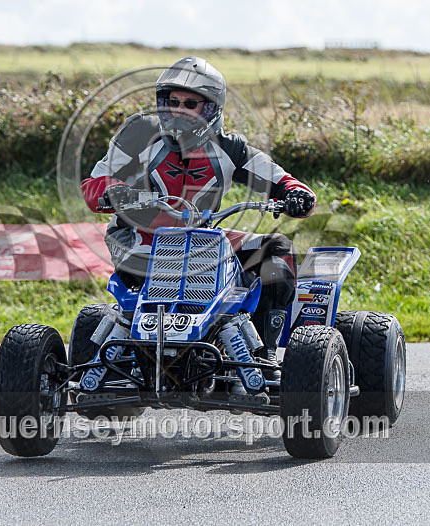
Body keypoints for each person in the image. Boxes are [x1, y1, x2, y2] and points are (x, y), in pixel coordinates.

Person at [81, 56, 316, 380]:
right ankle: (126, 349)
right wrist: (115, 192)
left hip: (203, 240)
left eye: (191, 103)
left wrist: (296, 195)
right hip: (139, 239)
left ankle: (264, 354)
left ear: (211, 108)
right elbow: (94, 183)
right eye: (171, 101)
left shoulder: (230, 147)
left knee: (275, 251)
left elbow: (280, 179)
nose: (179, 109)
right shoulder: (138, 133)